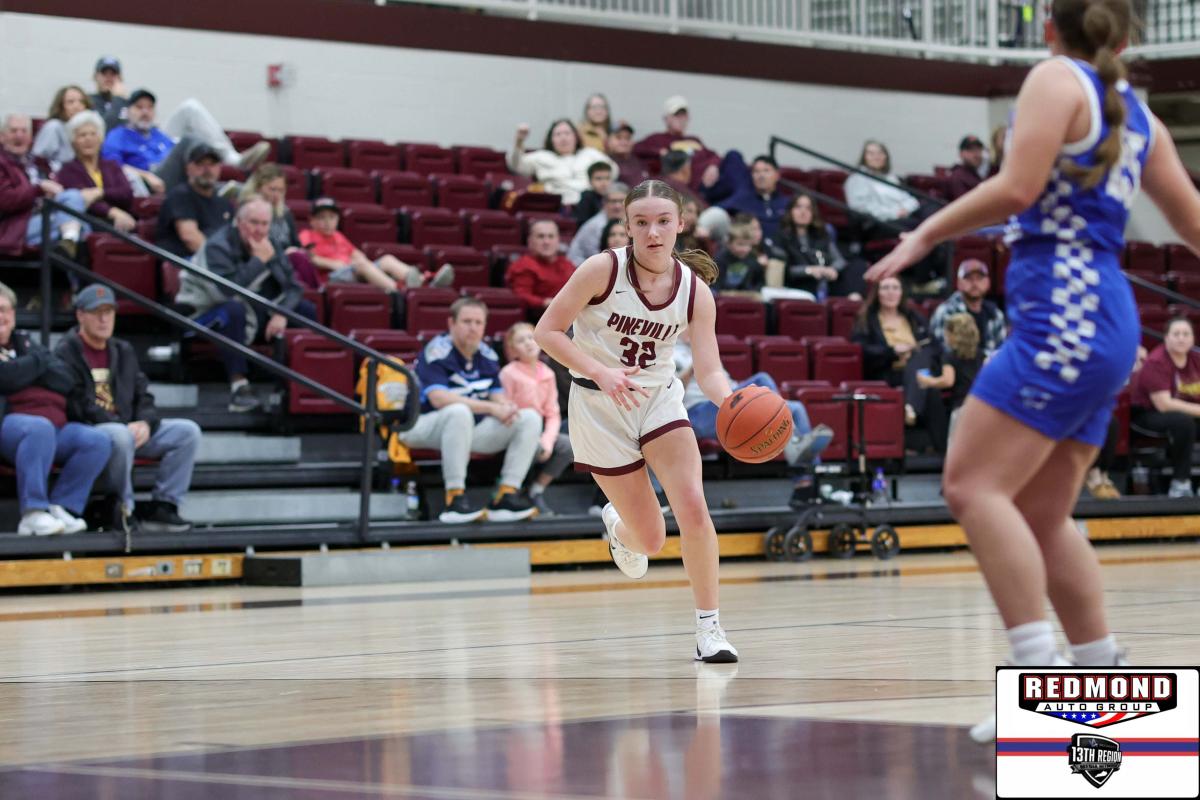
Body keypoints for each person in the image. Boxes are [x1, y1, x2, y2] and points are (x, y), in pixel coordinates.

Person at [866, 0, 1200, 742]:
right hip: (1105, 314)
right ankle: (1102, 679)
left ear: (1049, 24)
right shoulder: (1136, 113)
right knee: (1041, 515)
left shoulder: (1055, 80)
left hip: (1065, 308)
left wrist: (926, 231)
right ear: (1123, 32)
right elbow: (1192, 222)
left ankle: (1040, 682)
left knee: (971, 485)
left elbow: (1018, 189)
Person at [534, 178, 739, 663]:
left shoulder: (694, 292)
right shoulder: (601, 270)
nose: (653, 232)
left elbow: (709, 370)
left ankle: (710, 629)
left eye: (663, 221)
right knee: (650, 540)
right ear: (626, 227)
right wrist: (600, 371)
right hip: (598, 406)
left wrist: (732, 402)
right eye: (641, 222)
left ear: (681, 224)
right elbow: (547, 331)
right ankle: (618, 524)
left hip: (658, 399)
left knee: (693, 506)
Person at [56, 284, 202, 534]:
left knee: (187, 432)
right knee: (120, 435)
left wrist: (145, 423)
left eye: (109, 312)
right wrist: (123, 426)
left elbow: (143, 394)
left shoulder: (123, 350)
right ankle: (124, 508)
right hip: (92, 432)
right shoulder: (65, 352)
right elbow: (76, 403)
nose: (104, 319)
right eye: (96, 312)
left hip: (129, 429)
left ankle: (164, 506)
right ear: (80, 315)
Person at [399, 298, 540, 524]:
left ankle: (505, 495)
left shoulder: (487, 354)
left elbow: (496, 393)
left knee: (529, 417)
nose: (473, 327)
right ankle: (454, 499)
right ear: (451, 323)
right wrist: (491, 408)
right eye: (466, 321)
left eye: (478, 322)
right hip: (421, 426)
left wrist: (505, 406)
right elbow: (439, 398)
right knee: (458, 411)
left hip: (466, 429)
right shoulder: (437, 351)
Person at [175, 197, 317, 412]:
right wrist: (258, 261)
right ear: (239, 222)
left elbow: (294, 287)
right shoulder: (218, 246)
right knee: (233, 309)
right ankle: (239, 386)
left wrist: (282, 313)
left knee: (305, 310)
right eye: (253, 222)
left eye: (265, 224)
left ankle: (300, 384)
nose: (259, 230)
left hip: (255, 310)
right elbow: (226, 291)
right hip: (205, 313)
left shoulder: (271, 244)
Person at [0, 281, 111, 535]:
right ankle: (33, 512)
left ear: (14, 314)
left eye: (5, 309)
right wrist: (38, 364)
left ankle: (62, 506)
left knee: (97, 440)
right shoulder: (36, 352)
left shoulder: (25, 342)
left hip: (53, 426)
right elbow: (5, 378)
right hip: (10, 425)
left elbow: (65, 378)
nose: (1, 316)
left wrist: (26, 369)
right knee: (39, 429)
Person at [102, 88, 269, 194]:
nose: (145, 112)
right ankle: (233, 165)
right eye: (139, 107)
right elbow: (111, 166)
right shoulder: (118, 135)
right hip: (151, 180)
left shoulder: (158, 135)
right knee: (190, 141)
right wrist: (146, 175)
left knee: (191, 108)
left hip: (176, 175)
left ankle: (229, 180)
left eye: (150, 107)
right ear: (128, 112)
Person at [299, 197, 450, 291]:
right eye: (322, 218)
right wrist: (335, 264)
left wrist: (363, 264)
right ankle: (399, 291)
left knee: (386, 260)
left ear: (337, 219)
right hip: (330, 277)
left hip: (351, 271)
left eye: (331, 217)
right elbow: (308, 258)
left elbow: (357, 254)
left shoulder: (338, 236)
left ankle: (425, 281)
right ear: (311, 220)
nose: (327, 222)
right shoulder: (307, 234)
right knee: (362, 265)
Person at [500, 322, 572, 517]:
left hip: (540, 432)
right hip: (517, 430)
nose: (528, 343)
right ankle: (512, 491)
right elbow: (505, 408)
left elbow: (552, 413)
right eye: (520, 340)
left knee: (567, 446)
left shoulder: (548, 373)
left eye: (531, 338)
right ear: (512, 350)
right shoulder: (508, 373)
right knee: (529, 447)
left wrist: (547, 441)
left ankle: (536, 490)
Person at [0, 113, 88, 259]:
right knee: (80, 225)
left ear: (31, 137)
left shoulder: (37, 162)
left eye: (24, 131)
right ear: (2, 137)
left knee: (74, 202)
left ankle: (69, 240)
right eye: (13, 131)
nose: (19, 135)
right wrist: (39, 189)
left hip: (43, 215)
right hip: (14, 226)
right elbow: (5, 200)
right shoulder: (2, 163)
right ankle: (70, 239)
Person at [1131, 318, 1200, 498]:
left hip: (1185, 413)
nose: (1181, 338)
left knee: (1185, 421)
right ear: (1166, 338)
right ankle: (1180, 483)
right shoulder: (1157, 361)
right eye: (1176, 334)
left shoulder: (1196, 359)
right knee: (1184, 423)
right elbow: (1164, 404)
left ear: (1193, 338)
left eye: (1186, 334)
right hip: (1147, 414)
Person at [54, 111, 137, 235]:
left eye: (93, 134)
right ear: (73, 142)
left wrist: (100, 192)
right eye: (82, 135)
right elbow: (82, 200)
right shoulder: (67, 170)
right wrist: (113, 212)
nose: (88, 139)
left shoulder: (112, 165)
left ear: (100, 138)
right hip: (90, 223)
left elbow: (126, 193)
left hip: (124, 221)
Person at [507, 119, 616, 206]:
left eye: (567, 133)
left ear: (576, 137)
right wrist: (519, 142)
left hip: (590, 201)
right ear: (551, 139)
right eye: (558, 134)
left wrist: (600, 183)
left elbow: (613, 170)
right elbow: (516, 165)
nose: (563, 138)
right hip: (557, 203)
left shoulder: (590, 154)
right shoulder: (541, 156)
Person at [155, 142, 233, 260]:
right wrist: (220, 260)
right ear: (188, 168)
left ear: (219, 168)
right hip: (185, 262)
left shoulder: (223, 200)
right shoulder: (180, 195)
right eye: (200, 164)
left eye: (212, 164)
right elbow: (190, 238)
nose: (207, 169)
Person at [918, 312, 985, 445]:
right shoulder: (981, 355)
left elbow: (948, 381)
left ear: (953, 335)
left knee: (956, 447)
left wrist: (928, 381)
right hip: (979, 406)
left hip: (961, 408)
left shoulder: (950, 356)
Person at [633, 96, 720, 194]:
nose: (681, 119)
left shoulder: (694, 139)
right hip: (683, 188)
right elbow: (636, 148)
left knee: (732, 156)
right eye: (676, 115)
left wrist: (713, 166)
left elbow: (714, 155)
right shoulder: (657, 138)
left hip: (708, 184)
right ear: (666, 119)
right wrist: (660, 151)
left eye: (684, 116)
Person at [774, 193, 854, 298]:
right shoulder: (782, 237)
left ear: (813, 213)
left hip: (825, 281)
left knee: (856, 265)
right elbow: (784, 270)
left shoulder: (821, 235)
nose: (803, 212)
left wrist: (831, 269)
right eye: (798, 207)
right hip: (797, 284)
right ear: (790, 211)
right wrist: (809, 270)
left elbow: (839, 260)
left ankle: (854, 298)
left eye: (808, 208)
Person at [928, 258, 1007, 357]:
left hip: (989, 366)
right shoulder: (946, 311)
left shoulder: (995, 314)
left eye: (979, 278)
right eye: (969, 278)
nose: (974, 283)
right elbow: (946, 352)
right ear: (959, 283)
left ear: (988, 282)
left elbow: (1001, 353)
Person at [506, 219, 576, 312]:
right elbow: (521, 297)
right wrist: (544, 302)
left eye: (551, 236)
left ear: (558, 240)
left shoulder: (567, 264)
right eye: (540, 236)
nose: (546, 241)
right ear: (530, 241)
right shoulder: (523, 266)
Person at [32, 85, 93, 171]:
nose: (77, 106)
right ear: (61, 106)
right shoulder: (54, 127)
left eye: (81, 102)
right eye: (71, 102)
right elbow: (38, 161)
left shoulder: (89, 131)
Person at [568, 183, 628, 266]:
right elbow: (598, 258)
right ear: (604, 203)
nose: (617, 206)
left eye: (621, 201)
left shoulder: (629, 220)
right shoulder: (595, 226)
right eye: (613, 201)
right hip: (581, 265)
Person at [712, 220, 765, 294]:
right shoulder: (720, 259)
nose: (745, 249)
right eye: (740, 244)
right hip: (722, 294)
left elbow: (760, 281)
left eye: (748, 245)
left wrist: (754, 291)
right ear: (729, 243)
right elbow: (714, 284)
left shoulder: (752, 259)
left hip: (744, 295)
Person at [89, 56, 128, 132]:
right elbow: (103, 128)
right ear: (95, 77)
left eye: (113, 73)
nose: (108, 77)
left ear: (120, 78)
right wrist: (118, 99)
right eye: (104, 73)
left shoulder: (129, 104)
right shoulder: (88, 102)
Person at [607, 121, 648, 187]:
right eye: (618, 138)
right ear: (608, 141)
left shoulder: (640, 160)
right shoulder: (605, 162)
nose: (624, 142)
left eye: (628, 138)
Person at [946, 135, 987, 201]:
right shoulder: (958, 177)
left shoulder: (976, 175)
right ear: (961, 154)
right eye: (971, 150)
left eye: (979, 149)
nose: (976, 154)